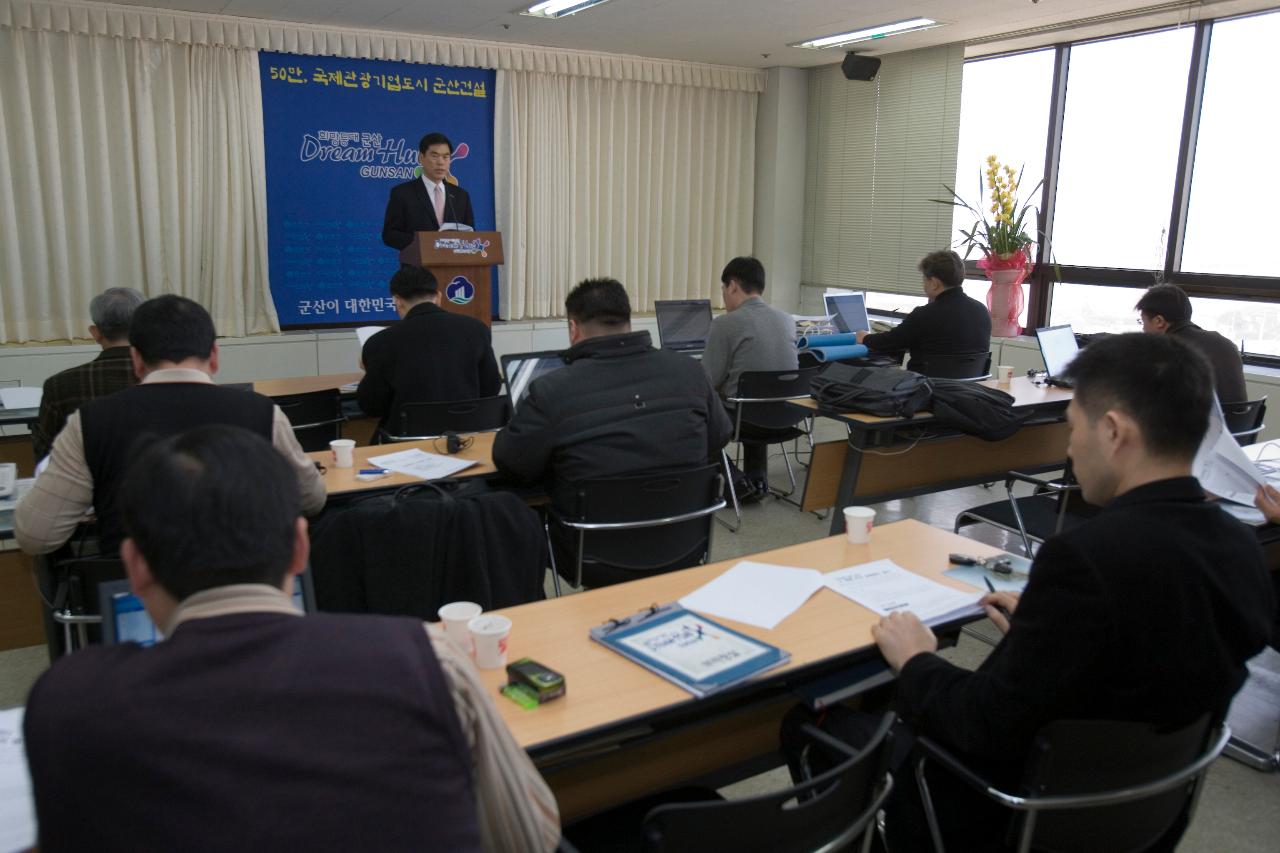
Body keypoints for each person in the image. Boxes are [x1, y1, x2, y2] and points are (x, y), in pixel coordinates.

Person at [795, 334, 1274, 852]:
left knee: (812, 724)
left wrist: (917, 659)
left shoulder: (1085, 559)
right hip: (1139, 819)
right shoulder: (1241, 548)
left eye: (1074, 429)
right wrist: (1043, 631)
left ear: (1113, 432)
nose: (1070, 449)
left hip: (1007, 813)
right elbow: (1144, 659)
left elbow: (982, 724)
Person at [23, 425, 560, 853]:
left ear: (135, 568)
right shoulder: (428, 660)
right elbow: (531, 835)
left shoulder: (68, 704)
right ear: (301, 549)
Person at [15, 295, 325, 556]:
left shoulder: (90, 421)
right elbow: (311, 498)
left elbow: (36, 537)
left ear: (137, 360)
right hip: (245, 582)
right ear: (214, 355)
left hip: (134, 600)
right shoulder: (262, 412)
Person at [492, 278, 732, 581]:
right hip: (684, 540)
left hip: (590, 552)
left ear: (573, 328)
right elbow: (720, 436)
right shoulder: (689, 371)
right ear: (628, 322)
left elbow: (511, 463)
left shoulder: (553, 389)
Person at [356, 266, 501, 434]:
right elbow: (491, 388)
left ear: (397, 300)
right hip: (466, 434)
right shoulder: (476, 329)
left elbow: (371, 407)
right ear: (438, 296)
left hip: (406, 440)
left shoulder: (380, 342)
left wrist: (368, 370)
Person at [702, 257, 799, 500]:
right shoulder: (787, 320)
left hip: (746, 420)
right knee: (755, 400)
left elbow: (707, 382)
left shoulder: (725, 324)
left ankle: (736, 481)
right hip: (787, 417)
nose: (723, 296)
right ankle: (759, 480)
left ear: (733, 285)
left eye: (723, 289)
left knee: (694, 413)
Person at [31, 287, 145, 461]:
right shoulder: (165, 378)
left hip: (87, 484)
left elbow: (46, 452)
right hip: (156, 481)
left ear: (95, 332)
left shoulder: (59, 385)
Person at [856, 250, 991, 373]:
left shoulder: (925, 314)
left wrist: (865, 337)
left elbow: (890, 342)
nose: (923, 285)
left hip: (926, 390)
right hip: (970, 391)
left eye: (924, 280)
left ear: (934, 283)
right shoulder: (982, 311)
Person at [1136, 283, 1247, 405]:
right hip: (1240, 423)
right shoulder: (1225, 343)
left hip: (1202, 422)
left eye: (1143, 321)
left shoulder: (1168, 351)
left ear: (1159, 321)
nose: (1143, 329)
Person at [382, 131, 475, 250]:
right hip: (417, 266)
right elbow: (390, 235)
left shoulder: (461, 196)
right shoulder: (402, 193)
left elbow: (471, 234)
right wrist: (426, 243)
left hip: (454, 266)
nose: (441, 162)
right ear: (421, 158)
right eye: (435, 156)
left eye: (446, 157)